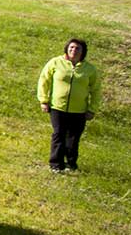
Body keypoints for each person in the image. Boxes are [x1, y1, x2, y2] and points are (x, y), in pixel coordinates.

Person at [37, 38, 100, 172]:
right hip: (57, 107)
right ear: (67, 48)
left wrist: (92, 109)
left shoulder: (89, 69)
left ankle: (71, 163)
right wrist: (44, 100)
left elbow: (96, 90)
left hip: (79, 110)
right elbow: (44, 80)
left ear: (83, 52)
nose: (74, 50)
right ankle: (55, 164)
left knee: (73, 137)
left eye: (78, 48)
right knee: (58, 134)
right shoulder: (55, 62)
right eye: (71, 47)